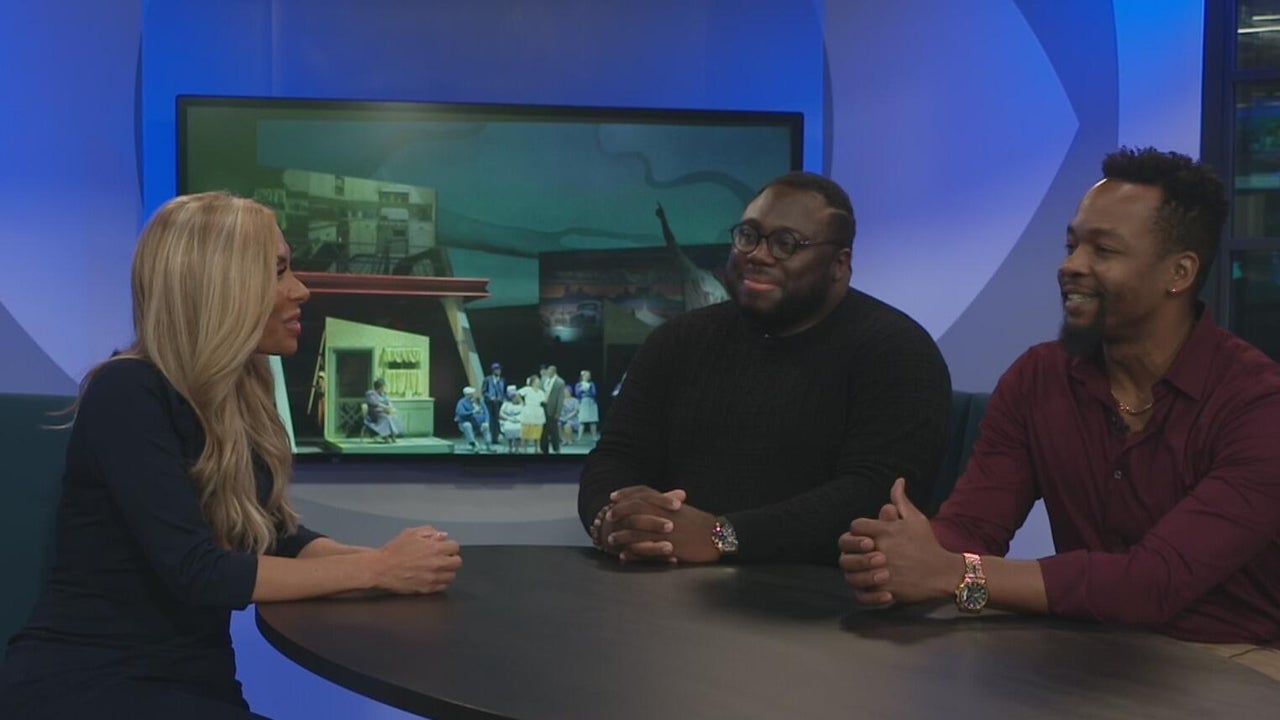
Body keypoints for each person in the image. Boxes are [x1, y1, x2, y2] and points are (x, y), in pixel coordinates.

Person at [0, 193, 463, 718]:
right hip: (92, 684)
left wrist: (392, 566)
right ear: (220, 286)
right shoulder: (127, 391)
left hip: (196, 684)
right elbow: (198, 571)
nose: (301, 290)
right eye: (278, 272)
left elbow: (274, 537)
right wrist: (377, 569)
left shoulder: (241, 391)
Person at [839, 148, 1280, 679]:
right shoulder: (1038, 378)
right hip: (1086, 643)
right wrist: (901, 557)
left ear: (1179, 272)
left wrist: (955, 574)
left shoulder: (1258, 405)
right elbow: (974, 526)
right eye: (1072, 245)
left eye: (1103, 250)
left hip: (1235, 658)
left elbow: (1152, 583)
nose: (1071, 266)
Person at [578, 171, 951, 565]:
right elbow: (616, 455)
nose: (757, 254)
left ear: (839, 264)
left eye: (785, 244)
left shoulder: (898, 350)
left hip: (821, 590)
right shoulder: (678, 339)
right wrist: (613, 519)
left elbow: (872, 495)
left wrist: (722, 536)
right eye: (748, 235)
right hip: (664, 580)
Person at [364, 378, 404, 442]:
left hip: (384, 412)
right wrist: (385, 407)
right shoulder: (370, 393)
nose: (384, 388)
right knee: (385, 418)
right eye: (383, 387)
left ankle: (393, 435)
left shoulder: (384, 394)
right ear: (379, 387)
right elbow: (374, 403)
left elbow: (388, 402)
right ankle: (386, 436)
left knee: (393, 417)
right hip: (374, 414)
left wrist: (390, 407)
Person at [454, 386, 492, 452]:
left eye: (473, 393)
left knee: (485, 426)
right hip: (465, 422)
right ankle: (473, 444)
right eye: (471, 394)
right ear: (467, 395)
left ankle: (488, 445)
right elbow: (461, 413)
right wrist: (473, 412)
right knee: (467, 425)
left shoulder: (479, 401)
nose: (473, 395)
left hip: (479, 422)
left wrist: (486, 422)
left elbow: (486, 412)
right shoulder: (461, 402)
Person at [518, 374, 547, 454]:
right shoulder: (527, 389)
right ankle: (524, 449)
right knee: (526, 431)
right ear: (533, 382)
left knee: (537, 432)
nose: (539, 382)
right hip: (528, 412)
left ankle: (537, 448)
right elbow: (518, 393)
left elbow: (544, 401)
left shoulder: (541, 392)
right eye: (537, 381)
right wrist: (522, 402)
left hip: (538, 412)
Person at [540, 365, 566, 454]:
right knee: (544, 430)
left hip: (553, 409)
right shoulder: (544, 380)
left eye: (549, 372)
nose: (547, 373)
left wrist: (558, 412)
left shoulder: (560, 382)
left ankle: (556, 448)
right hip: (543, 407)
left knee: (553, 430)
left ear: (554, 372)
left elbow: (560, 398)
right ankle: (544, 449)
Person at [481, 362, 505, 449]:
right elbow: (484, 391)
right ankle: (490, 438)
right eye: (497, 369)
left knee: (497, 420)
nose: (499, 371)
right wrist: (490, 397)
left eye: (499, 369)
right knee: (491, 420)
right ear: (493, 370)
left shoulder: (502, 380)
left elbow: (503, 391)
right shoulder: (487, 379)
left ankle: (496, 438)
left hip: (499, 402)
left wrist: (502, 398)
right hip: (490, 403)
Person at [574, 370, 599, 442]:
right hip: (583, 402)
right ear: (582, 376)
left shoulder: (591, 384)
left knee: (593, 420)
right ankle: (579, 437)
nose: (587, 377)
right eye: (586, 375)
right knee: (582, 420)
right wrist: (581, 390)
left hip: (591, 402)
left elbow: (594, 393)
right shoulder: (578, 384)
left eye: (589, 375)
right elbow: (577, 394)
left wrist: (589, 388)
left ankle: (594, 436)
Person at [499, 386, 525, 454]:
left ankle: (517, 448)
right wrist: (508, 418)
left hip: (518, 420)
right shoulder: (506, 403)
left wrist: (518, 418)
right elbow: (500, 413)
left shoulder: (521, 403)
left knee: (519, 431)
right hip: (508, 420)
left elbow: (524, 411)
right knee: (509, 430)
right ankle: (510, 447)